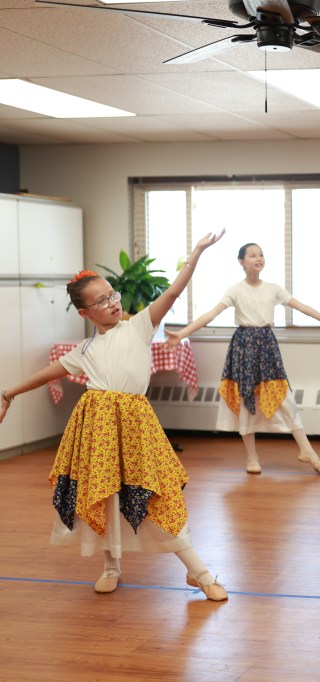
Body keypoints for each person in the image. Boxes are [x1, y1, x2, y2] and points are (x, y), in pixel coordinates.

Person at [0, 231, 229, 600]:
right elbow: (45, 374)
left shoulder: (139, 326)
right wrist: (8, 393)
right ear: (84, 313)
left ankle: (198, 572)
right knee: (104, 495)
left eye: (112, 295)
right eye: (101, 301)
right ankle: (111, 566)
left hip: (136, 427)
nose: (111, 303)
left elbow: (173, 293)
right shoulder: (84, 349)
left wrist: (197, 252)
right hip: (97, 428)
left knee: (156, 495)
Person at [165, 243, 320, 475]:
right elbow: (210, 315)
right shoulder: (235, 290)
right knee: (246, 399)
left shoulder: (273, 289)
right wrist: (182, 333)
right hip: (243, 348)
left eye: (261, 254)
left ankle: (307, 450)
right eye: (253, 255)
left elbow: (302, 307)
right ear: (241, 261)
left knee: (284, 397)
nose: (259, 258)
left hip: (267, 347)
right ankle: (252, 458)